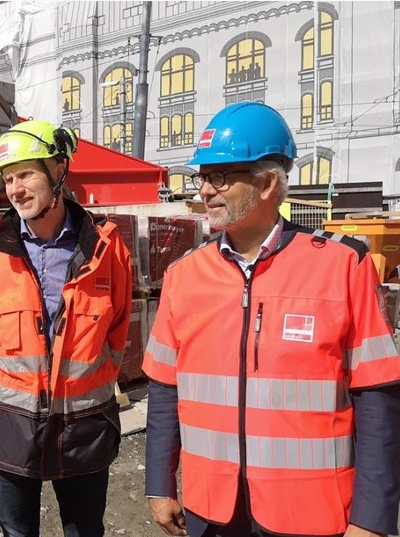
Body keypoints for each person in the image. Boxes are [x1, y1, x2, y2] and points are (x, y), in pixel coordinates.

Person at [143, 101, 400, 537]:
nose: (204, 191)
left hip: (310, 510)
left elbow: (377, 398)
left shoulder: (341, 265)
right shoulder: (183, 275)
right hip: (213, 508)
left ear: (267, 184)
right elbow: (165, 389)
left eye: (219, 177)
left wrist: (371, 518)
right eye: (201, 176)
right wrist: (158, 485)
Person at [0, 119, 132, 536]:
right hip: (9, 424)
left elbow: (120, 328)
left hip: (84, 425)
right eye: (7, 180)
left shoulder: (106, 246)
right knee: (16, 531)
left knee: (84, 530)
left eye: (25, 175)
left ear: (59, 169)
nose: (15, 190)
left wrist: (93, 382)